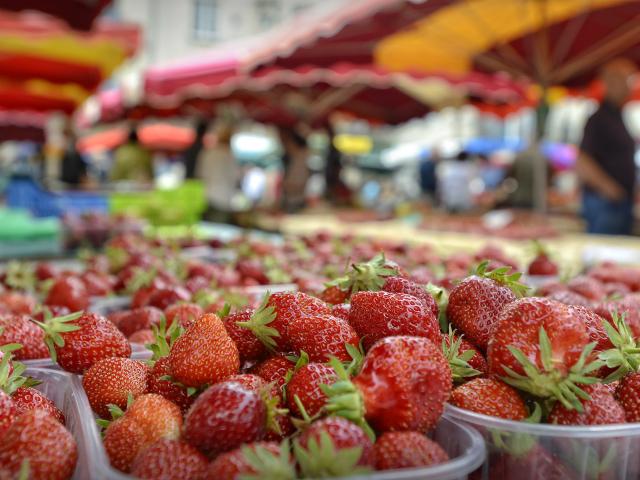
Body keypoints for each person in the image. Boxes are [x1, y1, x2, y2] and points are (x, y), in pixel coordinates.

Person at [577, 59, 637, 235]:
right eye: (624, 81)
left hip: (618, 202)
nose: (628, 87)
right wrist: (610, 189)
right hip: (606, 203)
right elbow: (582, 161)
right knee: (604, 255)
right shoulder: (598, 119)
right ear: (609, 83)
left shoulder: (617, 116)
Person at [196, 125, 240, 222]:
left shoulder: (207, 153)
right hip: (223, 200)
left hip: (207, 197)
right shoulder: (230, 156)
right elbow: (236, 177)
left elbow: (200, 175)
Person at [279, 127, 311, 213]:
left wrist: (285, 185)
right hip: (294, 201)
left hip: (296, 202)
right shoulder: (298, 159)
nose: (287, 146)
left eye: (289, 143)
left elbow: (300, 185)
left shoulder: (300, 161)